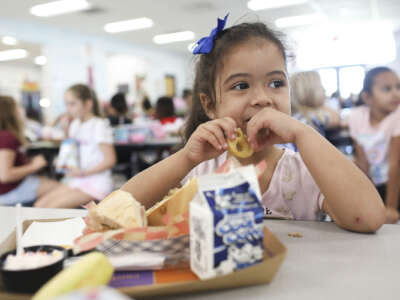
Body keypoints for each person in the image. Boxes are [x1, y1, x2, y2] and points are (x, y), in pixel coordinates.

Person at [119, 17, 385, 232]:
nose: (262, 99)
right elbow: (120, 211)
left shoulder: (304, 170)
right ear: (210, 105)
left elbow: (369, 218)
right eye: (241, 85)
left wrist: (303, 134)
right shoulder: (199, 172)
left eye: (276, 83)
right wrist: (186, 158)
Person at [34, 84, 116, 208]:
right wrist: (66, 130)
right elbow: (71, 150)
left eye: (72, 104)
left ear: (88, 104)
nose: (68, 109)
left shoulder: (99, 125)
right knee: (39, 205)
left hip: (96, 182)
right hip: (78, 179)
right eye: (66, 104)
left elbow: (110, 160)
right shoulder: (75, 124)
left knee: (48, 208)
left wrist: (83, 172)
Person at [348, 67, 400, 223]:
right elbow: (362, 161)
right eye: (386, 89)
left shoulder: (397, 116)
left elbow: (395, 165)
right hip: (374, 181)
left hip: (395, 183)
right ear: (367, 97)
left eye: (398, 87)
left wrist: (390, 207)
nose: (395, 93)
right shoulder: (357, 116)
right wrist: (369, 201)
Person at [0, 96, 59, 206]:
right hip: (9, 191)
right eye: (18, 107)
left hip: (15, 186)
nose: (22, 110)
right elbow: (5, 175)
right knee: (62, 190)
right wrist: (34, 166)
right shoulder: (6, 137)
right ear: (10, 113)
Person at [291, 71, 341, 136]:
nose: (324, 90)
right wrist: (321, 104)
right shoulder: (313, 116)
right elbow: (336, 118)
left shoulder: (298, 116)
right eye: (320, 86)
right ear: (311, 92)